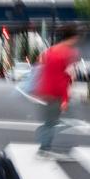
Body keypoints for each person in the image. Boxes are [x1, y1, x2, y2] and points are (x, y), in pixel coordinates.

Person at [35, 24, 80, 160]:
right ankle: (44, 148)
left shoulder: (49, 51)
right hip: (57, 93)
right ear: (72, 38)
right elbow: (67, 78)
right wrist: (65, 99)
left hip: (46, 91)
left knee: (52, 121)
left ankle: (44, 143)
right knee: (62, 121)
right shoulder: (69, 53)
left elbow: (40, 67)